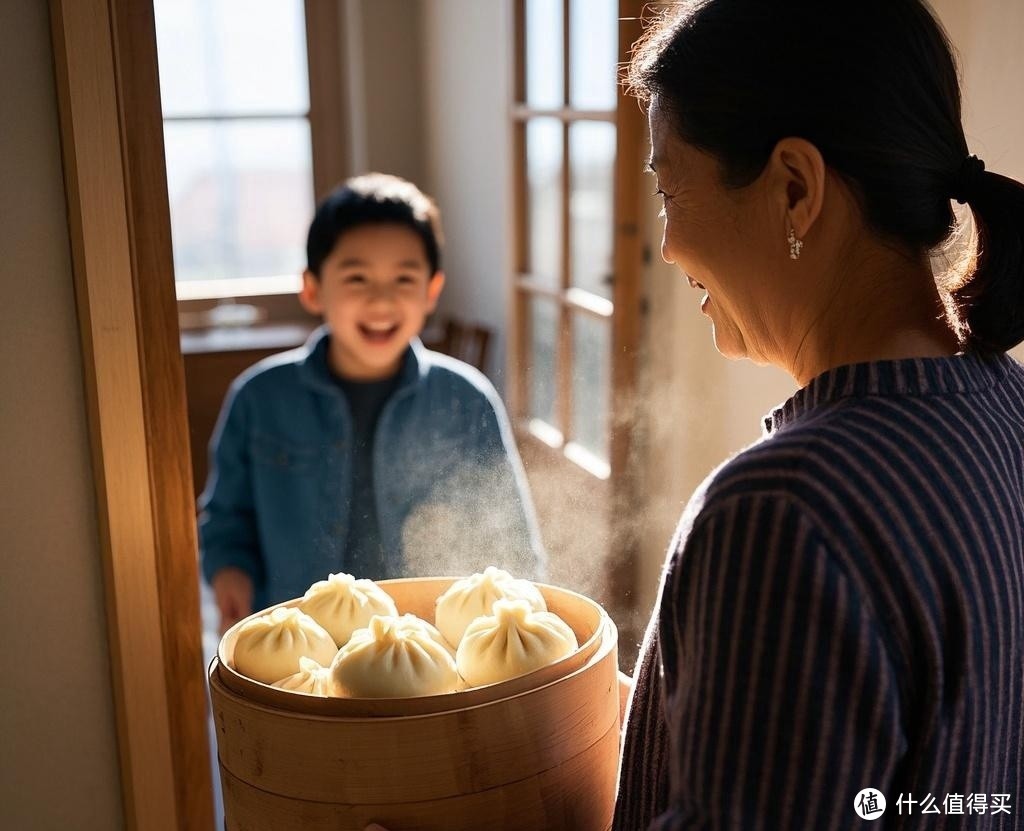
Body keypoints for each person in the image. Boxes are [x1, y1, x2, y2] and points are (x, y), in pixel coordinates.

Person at [612, 1, 1024, 828]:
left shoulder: (785, 514)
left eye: (669, 188)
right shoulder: (1003, 405)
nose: (664, 245)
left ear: (794, 189)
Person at [200, 173, 545, 633]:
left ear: (431, 290)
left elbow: (512, 540)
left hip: (431, 650)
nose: (381, 299)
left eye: (404, 278)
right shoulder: (259, 397)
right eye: (357, 277)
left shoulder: (467, 400)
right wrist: (230, 575)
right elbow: (226, 522)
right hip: (299, 648)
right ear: (312, 288)